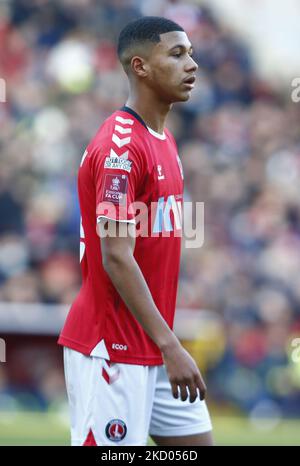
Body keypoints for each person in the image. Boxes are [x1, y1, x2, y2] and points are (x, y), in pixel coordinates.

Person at [58, 16, 213, 447]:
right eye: (178, 54)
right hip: (115, 345)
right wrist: (171, 345)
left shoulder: (163, 138)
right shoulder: (120, 151)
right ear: (141, 66)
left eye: (192, 53)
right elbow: (116, 255)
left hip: (155, 340)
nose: (192, 64)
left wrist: (165, 342)